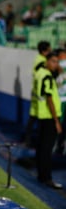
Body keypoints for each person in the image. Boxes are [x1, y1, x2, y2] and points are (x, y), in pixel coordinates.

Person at [34, 51, 62, 189]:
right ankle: (47, 177)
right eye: (53, 61)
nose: (55, 64)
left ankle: (41, 175)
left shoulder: (40, 73)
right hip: (49, 117)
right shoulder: (48, 77)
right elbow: (50, 99)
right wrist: (56, 120)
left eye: (57, 62)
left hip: (42, 115)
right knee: (47, 149)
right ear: (47, 62)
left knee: (41, 147)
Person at [24, 40, 52, 146]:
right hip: (40, 94)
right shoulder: (42, 62)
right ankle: (34, 141)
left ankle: (29, 139)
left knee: (33, 118)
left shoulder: (39, 59)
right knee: (39, 118)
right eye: (49, 49)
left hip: (37, 92)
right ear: (45, 51)